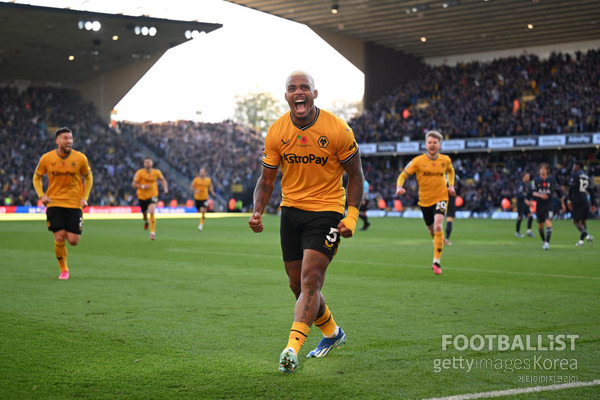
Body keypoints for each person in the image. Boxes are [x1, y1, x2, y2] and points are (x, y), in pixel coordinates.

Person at [248, 71, 364, 374]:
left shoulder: (337, 130)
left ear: (314, 93)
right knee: (295, 284)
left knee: (311, 279)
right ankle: (332, 333)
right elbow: (266, 179)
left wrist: (351, 215)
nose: (298, 93)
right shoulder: (276, 132)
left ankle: (292, 349)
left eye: (304, 88)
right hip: (291, 212)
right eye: (291, 89)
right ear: (286, 96)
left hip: (326, 212)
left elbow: (356, 175)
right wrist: (257, 209)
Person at [32, 127, 93, 280]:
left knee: (73, 241)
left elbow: (89, 177)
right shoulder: (47, 158)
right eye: (65, 138)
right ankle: (64, 270)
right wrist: (42, 195)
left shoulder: (80, 158)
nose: (69, 141)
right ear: (57, 140)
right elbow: (36, 178)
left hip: (74, 203)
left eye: (70, 138)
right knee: (59, 237)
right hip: (54, 203)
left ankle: (67, 238)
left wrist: (84, 197)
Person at [396, 130, 455, 275]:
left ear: (439, 145)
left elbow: (451, 171)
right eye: (430, 142)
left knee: (439, 225)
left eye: (435, 142)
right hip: (424, 201)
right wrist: (399, 186)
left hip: (441, 197)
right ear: (426, 144)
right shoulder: (418, 161)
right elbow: (403, 175)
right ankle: (438, 242)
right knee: (432, 231)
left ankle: (436, 261)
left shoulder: (445, 160)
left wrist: (451, 186)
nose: (432, 145)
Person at [531, 163, 566, 250]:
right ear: (539, 170)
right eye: (541, 168)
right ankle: (543, 241)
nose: (542, 170)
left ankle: (547, 243)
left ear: (547, 170)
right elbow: (533, 192)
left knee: (548, 222)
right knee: (540, 225)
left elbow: (559, 193)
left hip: (549, 205)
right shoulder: (535, 181)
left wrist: (563, 203)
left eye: (544, 168)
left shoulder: (552, 180)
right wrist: (540, 195)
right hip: (539, 206)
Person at [132, 157, 168, 240]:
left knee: (152, 211)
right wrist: (143, 186)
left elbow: (163, 180)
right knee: (144, 215)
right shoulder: (140, 173)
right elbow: (133, 184)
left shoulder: (157, 172)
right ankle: (146, 221)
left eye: (149, 162)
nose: (147, 164)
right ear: (144, 164)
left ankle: (152, 233)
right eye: (146, 162)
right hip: (142, 196)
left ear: (152, 163)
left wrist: (165, 188)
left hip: (153, 196)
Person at [568, 162, 594, 246]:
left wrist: (569, 199)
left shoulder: (575, 175)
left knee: (575, 221)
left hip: (577, 200)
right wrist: (593, 203)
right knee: (583, 221)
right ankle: (581, 241)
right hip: (585, 200)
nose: (573, 167)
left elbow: (571, 188)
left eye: (574, 166)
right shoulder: (587, 176)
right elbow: (591, 191)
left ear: (578, 167)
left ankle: (587, 236)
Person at [515, 172, 534, 238]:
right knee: (520, 217)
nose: (528, 178)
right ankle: (517, 232)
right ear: (523, 177)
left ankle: (528, 231)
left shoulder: (529, 185)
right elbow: (520, 194)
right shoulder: (521, 184)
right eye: (527, 176)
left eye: (528, 176)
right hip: (520, 203)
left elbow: (531, 194)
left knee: (531, 216)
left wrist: (531, 201)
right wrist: (526, 200)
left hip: (526, 204)